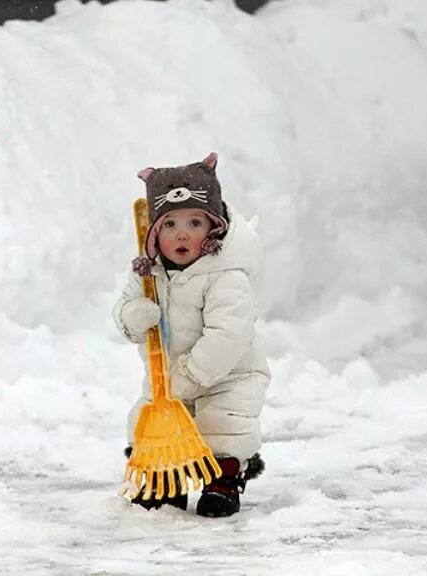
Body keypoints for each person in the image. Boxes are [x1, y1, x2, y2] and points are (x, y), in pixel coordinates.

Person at [113, 152, 270, 518]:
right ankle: (166, 477)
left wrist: (190, 376)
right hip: (167, 376)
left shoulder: (227, 276)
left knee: (223, 425)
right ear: (154, 231)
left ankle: (224, 479)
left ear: (214, 228)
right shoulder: (147, 272)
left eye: (194, 222)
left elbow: (227, 336)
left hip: (226, 375)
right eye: (169, 225)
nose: (181, 234)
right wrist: (135, 316)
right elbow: (122, 310)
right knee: (146, 423)